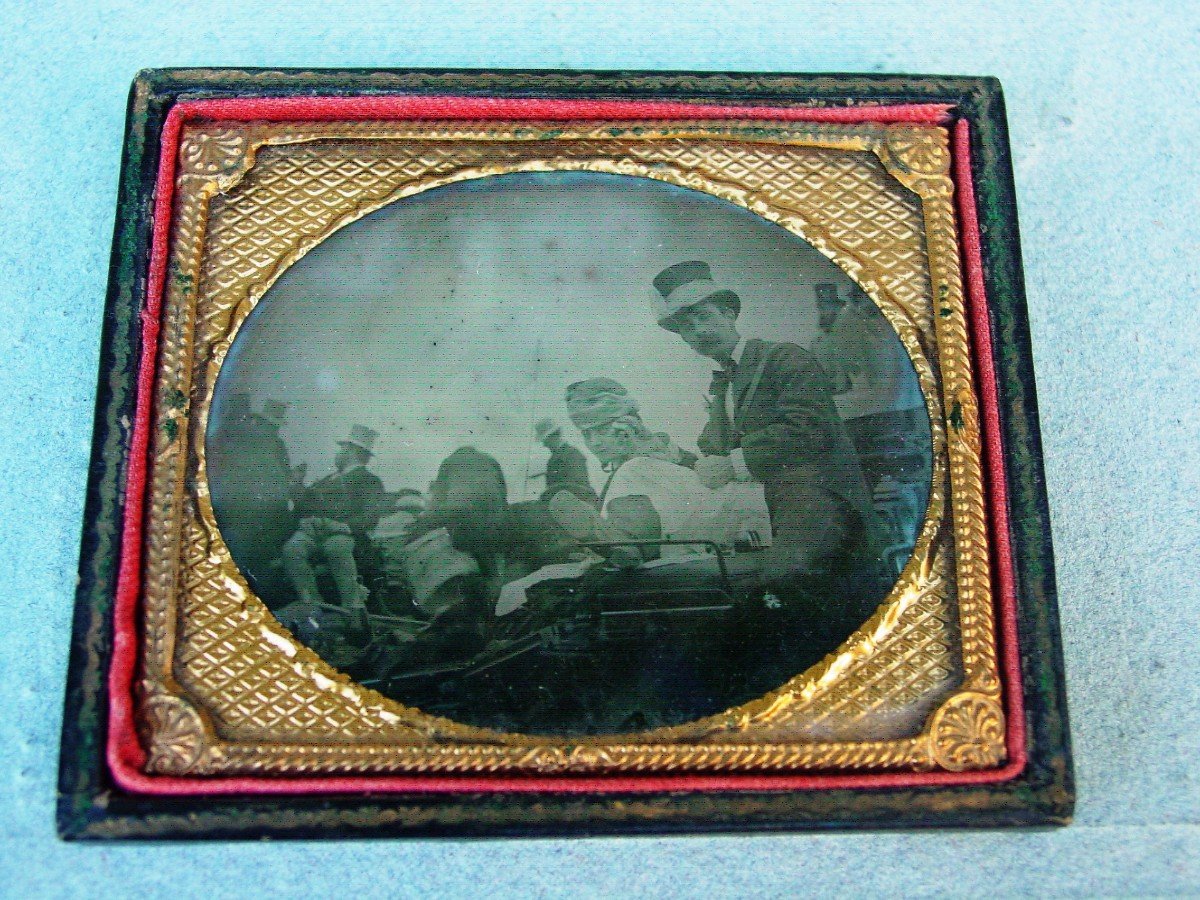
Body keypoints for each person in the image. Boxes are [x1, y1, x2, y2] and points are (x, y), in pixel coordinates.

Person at [650, 260, 884, 581]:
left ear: (729, 315)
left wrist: (733, 464)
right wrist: (679, 458)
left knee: (776, 584)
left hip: (820, 501)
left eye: (704, 317)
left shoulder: (782, 357)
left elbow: (810, 428)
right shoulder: (722, 385)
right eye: (687, 329)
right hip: (768, 505)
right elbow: (718, 455)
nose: (699, 332)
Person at [556, 377, 714, 560]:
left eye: (601, 430)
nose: (595, 443)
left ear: (628, 423)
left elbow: (694, 473)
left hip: (702, 530)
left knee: (633, 469)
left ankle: (623, 543)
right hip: (673, 541)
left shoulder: (644, 463)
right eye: (586, 434)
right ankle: (615, 546)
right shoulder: (619, 476)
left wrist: (652, 448)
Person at [280, 425, 387, 614]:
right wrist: (296, 485)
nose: (338, 453)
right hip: (314, 533)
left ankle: (353, 606)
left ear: (353, 451)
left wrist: (341, 526)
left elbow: (371, 517)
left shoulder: (370, 481)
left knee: (336, 548)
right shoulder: (328, 480)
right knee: (292, 549)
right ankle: (312, 603)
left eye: (343, 449)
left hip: (345, 535)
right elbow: (306, 505)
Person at [534, 417, 596, 502]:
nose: (544, 445)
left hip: (579, 505)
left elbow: (578, 488)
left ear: (554, 436)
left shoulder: (573, 454)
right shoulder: (552, 460)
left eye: (545, 440)